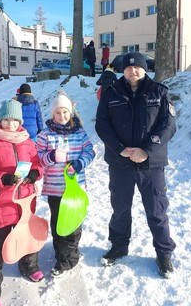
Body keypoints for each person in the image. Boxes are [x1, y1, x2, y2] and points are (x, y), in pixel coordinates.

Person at [95, 52, 176, 278]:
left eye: (138, 67)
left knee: (157, 211)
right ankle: (119, 246)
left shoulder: (158, 92)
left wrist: (146, 150)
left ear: (144, 69)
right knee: (120, 208)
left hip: (151, 164)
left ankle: (164, 254)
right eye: (129, 68)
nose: (133, 71)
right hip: (120, 164)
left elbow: (168, 125)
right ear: (123, 70)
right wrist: (120, 149)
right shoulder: (111, 93)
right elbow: (102, 125)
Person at [0, 99, 44, 306]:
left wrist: (34, 174)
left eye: (15, 120)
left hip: (25, 203)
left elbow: (37, 164)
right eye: (7, 119)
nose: (11, 124)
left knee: (27, 238)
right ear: (0, 120)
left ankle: (29, 266)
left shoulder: (27, 141)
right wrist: (2, 179)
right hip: (0, 206)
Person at [36, 91, 95, 277]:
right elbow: (37, 158)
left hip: (75, 189)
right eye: (57, 113)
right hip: (55, 189)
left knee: (73, 224)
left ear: (71, 113)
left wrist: (80, 163)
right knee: (58, 223)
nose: (62, 116)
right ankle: (61, 253)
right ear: (52, 114)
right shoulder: (45, 135)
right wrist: (50, 156)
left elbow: (90, 152)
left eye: (65, 112)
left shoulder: (79, 133)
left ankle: (68, 259)